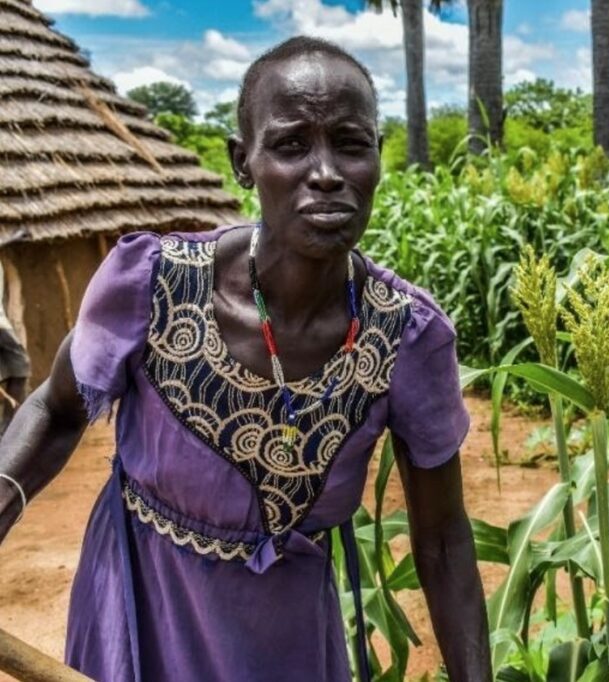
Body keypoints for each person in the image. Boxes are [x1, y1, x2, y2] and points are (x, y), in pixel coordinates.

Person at [0, 36, 492, 681]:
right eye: (291, 145)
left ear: (377, 156)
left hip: (281, 639)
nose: (326, 172)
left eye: (351, 143)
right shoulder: (151, 284)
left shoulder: (407, 336)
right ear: (243, 161)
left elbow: (444, 542)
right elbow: (58, 411)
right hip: (141, 603)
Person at [0, 261, 29, 435]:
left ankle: (12, 427)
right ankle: (11, 428)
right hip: (1, 327)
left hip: (3, 325)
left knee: (20, 367)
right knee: (21, 366)